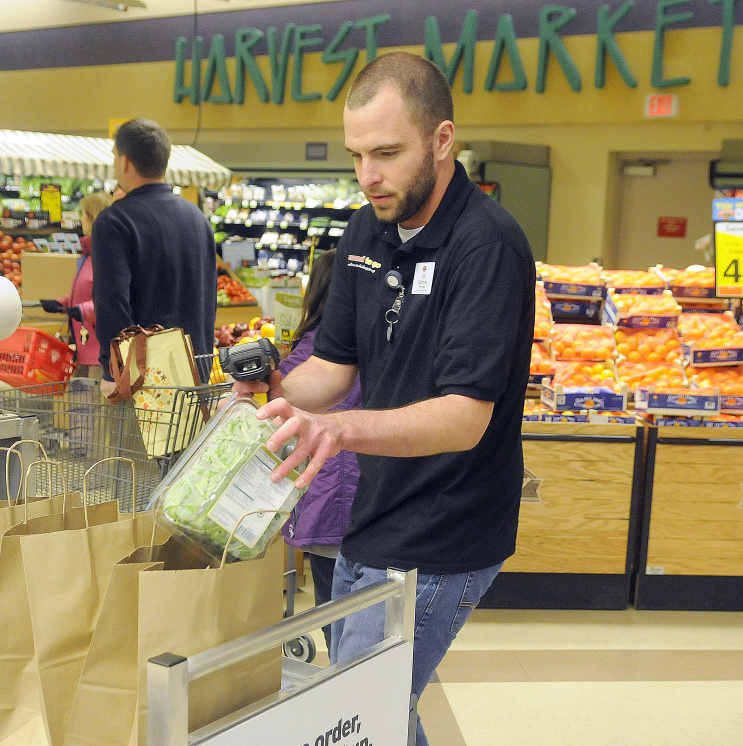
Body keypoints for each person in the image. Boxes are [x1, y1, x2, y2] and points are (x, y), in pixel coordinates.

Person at [232, 52, 535, 746]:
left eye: (387, 153)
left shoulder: (485, 246)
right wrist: (271, 391)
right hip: (373, 516)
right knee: (370, 714)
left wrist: (334, 433)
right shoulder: (366, 229)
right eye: (356, 155)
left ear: (442, 139)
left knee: (355, 713)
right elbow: (332, 370)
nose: (368, 176)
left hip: (446, 529)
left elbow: (463, 419)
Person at [91, 118, 216, 398]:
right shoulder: (197, 218)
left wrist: (114, 372)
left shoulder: (114, 221)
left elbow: (112, 302)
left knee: (129, 444)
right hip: (196, 374)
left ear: (124, 162)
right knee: (190, 443)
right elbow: (207, 296)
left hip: (143, 383)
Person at [279, 248, 360, 653]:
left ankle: (343, 676)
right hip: (360, 490)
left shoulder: (316, 347)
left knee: (331, 603)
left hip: (328, 490)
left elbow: (283, 398)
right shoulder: (373, 342)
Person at [39, 190, 113, 376]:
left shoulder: (106, 256)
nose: (81, 219)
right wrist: (62, 303)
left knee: (97, 403)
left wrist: (82, 311)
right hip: (85, 348)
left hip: (100, 353)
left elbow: (111, 300)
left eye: (84, 214)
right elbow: (88, 293)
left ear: (93, 217)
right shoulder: (89, 255)